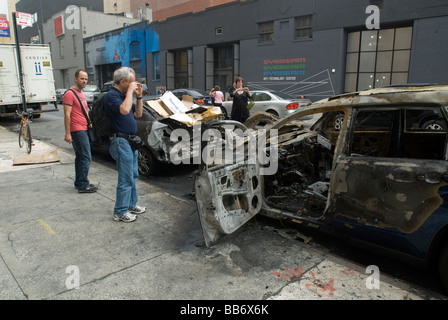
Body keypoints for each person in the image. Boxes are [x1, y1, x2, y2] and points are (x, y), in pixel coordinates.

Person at [104, 67, 146, 223]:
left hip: (130, 141)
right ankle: (120, 211)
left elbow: (138, 114)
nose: (134, 85)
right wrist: (130, 93)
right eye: (132, 82)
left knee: (133, 175)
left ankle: (131, 205)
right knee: (126, 177)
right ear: (122, 82)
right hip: (120, 141)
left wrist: (139, 97)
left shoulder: (123, 95)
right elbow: (124, 110)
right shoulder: (112, 96)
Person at [63, 69, 97, 194]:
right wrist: (67, 133)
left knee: (80, 157)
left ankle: (79, 182)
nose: (84, 81)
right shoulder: (69, 94)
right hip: (77, 130)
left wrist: (89, 122)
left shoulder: (82, 93)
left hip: (84, 128)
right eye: (82, 78)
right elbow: (67, 114)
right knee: (86, 157)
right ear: (76, 79)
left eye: (86, 79)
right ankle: (83, 185)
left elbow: (84, 111)